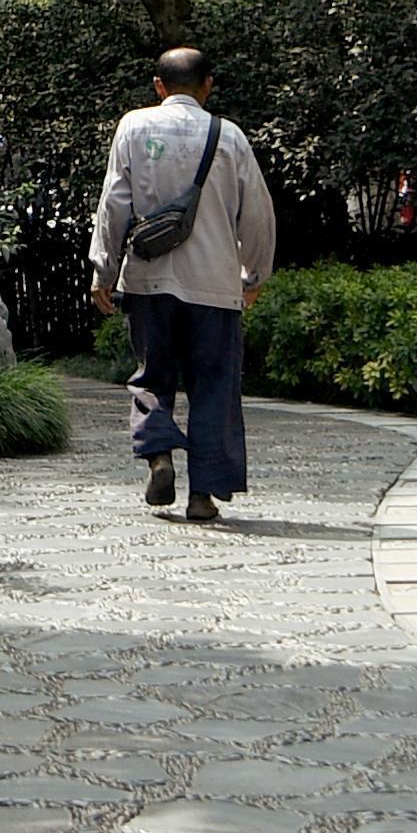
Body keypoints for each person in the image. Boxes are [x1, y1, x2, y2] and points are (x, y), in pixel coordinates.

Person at [88, 44, 274, 523]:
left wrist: (103, 271)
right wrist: (254, 275)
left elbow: (114, 204)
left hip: (150, 282)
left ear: (158, 87)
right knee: (214, 386)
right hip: (215, 285)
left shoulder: (133, 126)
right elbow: (257, 213)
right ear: (208, 85)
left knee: (152, 377)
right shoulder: (229, 137)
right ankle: (202, 496)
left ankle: (159, 455)